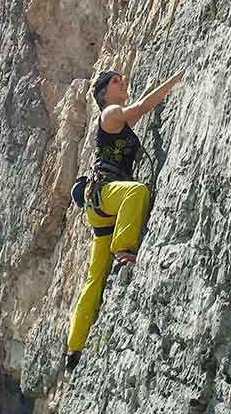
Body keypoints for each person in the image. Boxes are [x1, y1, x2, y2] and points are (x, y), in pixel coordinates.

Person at [64, 68, 183, 372]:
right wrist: (175, 78)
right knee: (138, 192)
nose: (122, 83)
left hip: (100, 205)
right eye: (116, 82)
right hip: (108, 194)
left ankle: (74, 349)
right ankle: (125, 252)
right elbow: (142, 108)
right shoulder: (111, 111)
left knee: (94, 280)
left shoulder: (115, 119)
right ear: (104, 93)